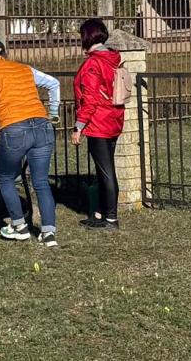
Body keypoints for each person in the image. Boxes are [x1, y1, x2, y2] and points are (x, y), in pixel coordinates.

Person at [0, 39, 61, 248]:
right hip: (42, 126)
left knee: (5, 177)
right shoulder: (25, 69)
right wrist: (53, 113)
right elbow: (54, 83)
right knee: (41, 181)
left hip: (14, 128)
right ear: (4, 55)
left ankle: (19, 227)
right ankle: (48, 233)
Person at [71, 19, 126, 230]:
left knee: (105, 171)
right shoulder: (112, 58)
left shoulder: (94, 64)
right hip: (113, 118)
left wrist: (79, 126)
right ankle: (103, 213)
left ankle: (110, 218)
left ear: (87, 37)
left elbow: (91, 99)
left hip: (99, 122)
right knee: (106, 168)